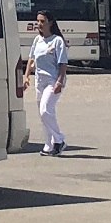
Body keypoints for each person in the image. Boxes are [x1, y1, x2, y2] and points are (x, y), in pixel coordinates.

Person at [28, 10, 69, 154]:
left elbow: (63, 63)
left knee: (45, 110)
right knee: (43, 113)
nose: (39, 24)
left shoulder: (57, 41)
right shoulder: (37, 40)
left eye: (42, 21)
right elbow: (31, 59)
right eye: (38, 21)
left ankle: (59, 140)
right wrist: (26, 76)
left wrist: (59, 82)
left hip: (53, 80)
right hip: (39, 81)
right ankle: (49, 145)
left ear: (50, 23)